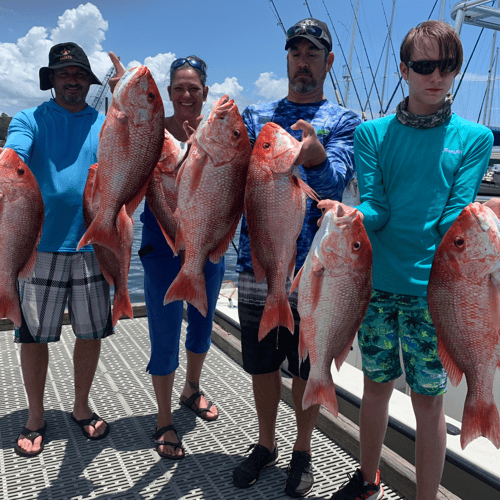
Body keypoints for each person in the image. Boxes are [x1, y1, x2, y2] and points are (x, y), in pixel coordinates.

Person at [331, 21, 494, 500]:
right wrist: (351, 216)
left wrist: (483, 220)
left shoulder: (474, 137)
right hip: (375, 284)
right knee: (376, 388)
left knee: (428, 402)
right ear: (404, 69)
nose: (436, 76)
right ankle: (367, 479)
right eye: (424, 66)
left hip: (437, 293)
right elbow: (377, 207)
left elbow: (452, 219)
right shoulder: (371, 134)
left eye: (447, 66)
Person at [232, 18, 361, 498]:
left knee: (308, 364)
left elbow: (333, 186)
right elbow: (229, 175)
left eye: (313, 53)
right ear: (286, 58)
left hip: (317, 267)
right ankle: (265, 444)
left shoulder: (346, 121)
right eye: (295, 52)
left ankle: (302, 450)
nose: (303, 61)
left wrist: (316, 157)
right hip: (258, 262)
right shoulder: (255, 114)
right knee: (262, 363)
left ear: (328, 62)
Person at [110, 54, 224, 460]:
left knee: (202, 327)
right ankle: (163, 418)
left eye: (194, 87)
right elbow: (123, 140)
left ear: (205, 92)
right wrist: (121, 93)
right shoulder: (152, 132)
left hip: (207, 247)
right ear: (169, 93)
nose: (187, 94)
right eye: (179, 88)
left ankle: (191, 388)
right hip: (161, 249)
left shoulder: (217, 133)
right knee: (164, 332)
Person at [4, 42, 114, 458]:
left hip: (91, 245)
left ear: (89, 81)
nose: (72, 80)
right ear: (50, 80)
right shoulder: (28, 118)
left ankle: (81, 406)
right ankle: (35, 416)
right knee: (33, 336)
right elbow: (17, 152)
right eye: (63, 73)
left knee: (90, 333)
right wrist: (10, 159)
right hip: (38, 245)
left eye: (80, 74)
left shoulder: (104, 123)